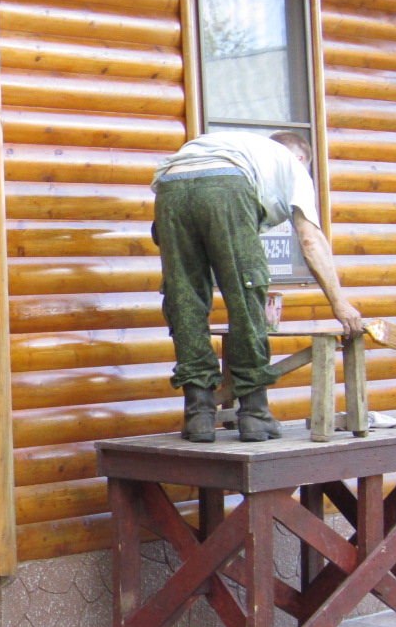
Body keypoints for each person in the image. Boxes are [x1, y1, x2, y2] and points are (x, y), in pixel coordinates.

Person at [151, 130, 365, 443]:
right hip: (226, 184)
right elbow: (310, 239)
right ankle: (254, 413)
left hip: (169, 184)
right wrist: (340, 302)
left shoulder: (244, 147)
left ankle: (198, 413)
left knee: (184, 298)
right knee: (245, 293)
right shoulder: (291, 165)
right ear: (301, 157)